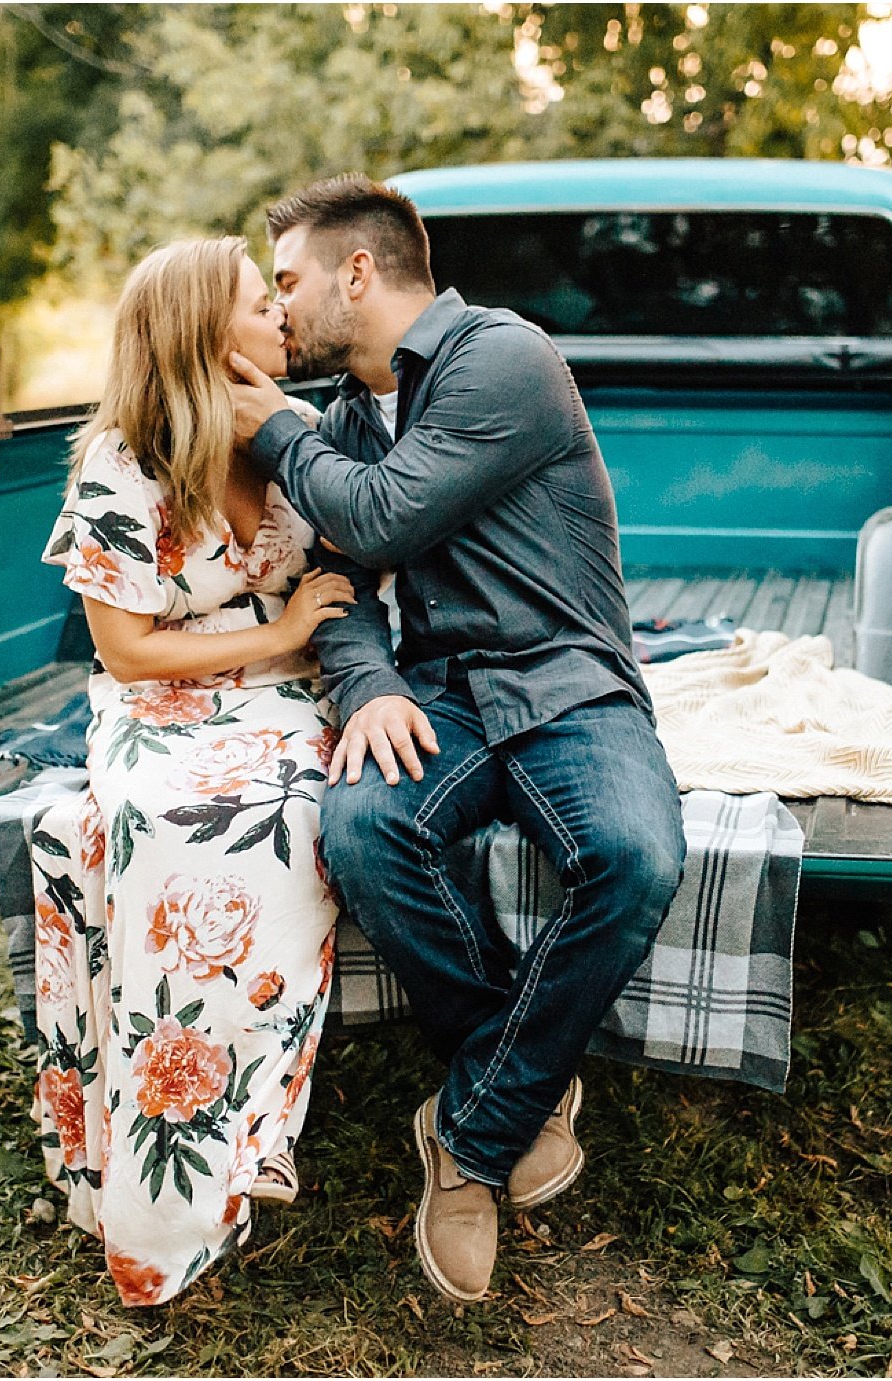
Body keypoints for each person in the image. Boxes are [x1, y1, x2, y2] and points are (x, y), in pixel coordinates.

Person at [228, 175, 688, 1304]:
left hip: (567, 679)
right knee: (364, 826)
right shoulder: (342, 415)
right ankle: (519, 1082)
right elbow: (342, 573)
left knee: (634, 857)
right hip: (443, 692)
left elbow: (380, 516)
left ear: (356, 272)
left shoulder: (502, 357)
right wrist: (372, 678)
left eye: (285, 281)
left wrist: (274, 429)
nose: (277, 310)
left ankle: (470, 1135)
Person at [26, 236, 352, 1307]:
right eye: (264, 304)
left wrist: (311, 641)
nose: (283, 318)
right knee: (167, 824)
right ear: (209, 333)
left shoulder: (293, 432)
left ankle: (257, 1127)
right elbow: (127, 650)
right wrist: (283, 630)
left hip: (292, 700)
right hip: (164, 704)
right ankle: (169, 1185)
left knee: (297, 818)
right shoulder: (124, 461)